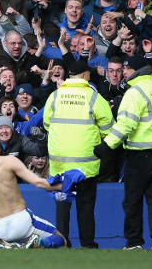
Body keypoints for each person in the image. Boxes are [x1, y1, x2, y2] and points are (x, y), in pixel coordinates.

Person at [93, 55, 152, 250]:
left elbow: (125, 125)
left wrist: (106, 145)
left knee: (132, 200)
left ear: (137, 70)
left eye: (126, 69)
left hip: (140, 154)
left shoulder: (134, 93)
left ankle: (134, 242)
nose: (123, 72)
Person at [43, 60, 114, 248]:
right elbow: (109, 129)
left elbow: (47, 124)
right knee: (86, 206)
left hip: (60, 164)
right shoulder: (93, 97)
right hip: (86, 165)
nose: (90, 75)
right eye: (89, 73)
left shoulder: (55, 95)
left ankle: (62, 243)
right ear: (83, 75)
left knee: (62, 206)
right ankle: (88, 244)